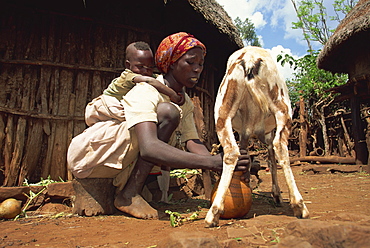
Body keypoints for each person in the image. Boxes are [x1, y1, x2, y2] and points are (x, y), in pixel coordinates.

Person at [67, 32, 250, 219]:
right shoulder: (146, 90)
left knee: (170, 112)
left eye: (200, 64)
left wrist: (226, 163)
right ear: (171, 63)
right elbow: (149, 148)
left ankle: (129, 191)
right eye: (190, 62)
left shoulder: (185, 102)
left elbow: (192, 141)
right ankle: (129, 194)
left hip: (119, 161)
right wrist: (211, 162)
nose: (197, 69)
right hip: (91, 156)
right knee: (168, 113)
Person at [103, 41, 184, 105]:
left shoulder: (151, 76)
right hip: (108, 104)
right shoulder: (127, 75)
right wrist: (173, 94)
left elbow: (165, 81)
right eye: (140, 66)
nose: (145, 71)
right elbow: (149, 81)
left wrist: (181, 92)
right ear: (128, 65)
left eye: (150, 67)